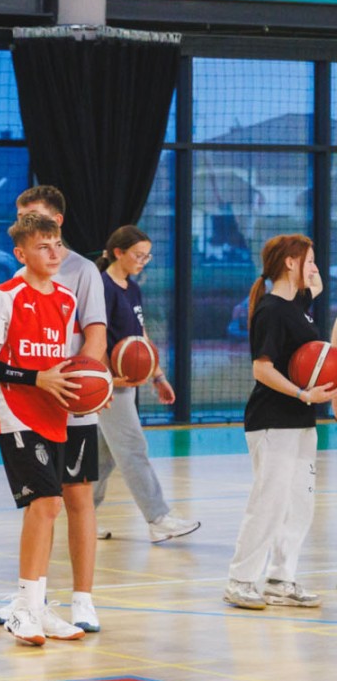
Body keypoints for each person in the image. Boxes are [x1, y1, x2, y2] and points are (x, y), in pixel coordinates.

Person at [0, 186, 108, 632]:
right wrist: (34, 379)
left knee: (54, 505)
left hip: (59, 412)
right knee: (47, 503)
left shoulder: (70, 294)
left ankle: (41, 605)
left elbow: (79, 351)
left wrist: (92, 384)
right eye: (42, 245)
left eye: (55, 244)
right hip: (18, 411)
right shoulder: (5, 294)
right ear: (21, 251)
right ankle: (26, 607)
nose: (53, 252)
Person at [224, 234, 329, 610]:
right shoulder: (271, 310)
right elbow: (261, 369)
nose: (315, 268)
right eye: (309, 260)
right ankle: (240, 580)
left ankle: (280, 580)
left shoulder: (298, 304)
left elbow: (315, 285)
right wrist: (303, 394)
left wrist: (309, 267)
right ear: (290, 262)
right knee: (269, 502)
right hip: (272, 420)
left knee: (299, 503)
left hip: (301, 421)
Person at [93, 226, 198, 543]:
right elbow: (94, 336)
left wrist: (158, 375)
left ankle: (82, 515)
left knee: (103, 456)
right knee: (133, 449)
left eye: (147, 256)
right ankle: (158, 518)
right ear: (118, 252)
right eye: (138, 255)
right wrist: (105, 377)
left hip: (127, 382)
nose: (143, 261)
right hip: (110, 385)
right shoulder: (102, 287)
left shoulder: (132, 288)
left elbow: (141, 338)